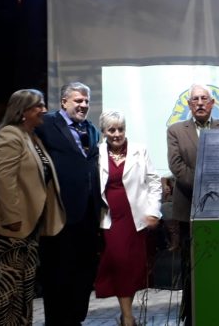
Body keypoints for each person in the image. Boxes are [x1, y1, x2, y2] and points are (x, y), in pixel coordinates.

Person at [0, 89, 66, 325]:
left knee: (23, 289)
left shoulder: (31, 137)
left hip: (28, 227)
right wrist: (12, 217)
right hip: (10, 229)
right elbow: (5, 179)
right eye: (38, 106)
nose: (44, 110)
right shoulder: (10, 135)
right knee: (7, 291)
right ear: (22, 111)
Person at [166, 84, 219, 325]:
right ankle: (192, 315)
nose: (199, 103)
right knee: (191, 267)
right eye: (194, 99)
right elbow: (177, 167)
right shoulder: (176, 130)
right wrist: (206, 189)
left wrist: (215, 192)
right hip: (188, 208)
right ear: (189, 105)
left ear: (212, 103)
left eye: (204, 99)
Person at [35, 82, 102, 325]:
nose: (83, 105)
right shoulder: (46, 123)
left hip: (87, 215)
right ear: (64, 102)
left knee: (84, 273)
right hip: (58, 213)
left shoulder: (92, 129)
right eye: (78, 100)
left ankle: (75, 319)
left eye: (86, 101)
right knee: (57, 272)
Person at [94, 111, 161, 326]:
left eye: (120, 129)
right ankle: (128, 318)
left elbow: (154, 182)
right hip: (111, 218)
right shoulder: (96, 153)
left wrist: (153, 211)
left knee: (132, 267)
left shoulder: (139, 150)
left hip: (137, 217)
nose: (116, 134)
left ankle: (126, 315)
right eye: (111, 130)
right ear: (103, 132)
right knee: (120, 263)